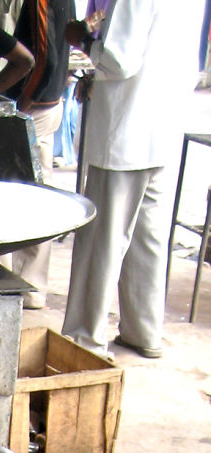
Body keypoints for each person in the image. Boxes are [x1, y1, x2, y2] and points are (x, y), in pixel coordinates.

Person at [61, 0, 206, 359]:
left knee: (102, 242)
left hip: (125, 132)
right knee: (147, 240)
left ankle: (84, 337)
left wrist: (82, 39)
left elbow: (120, 60)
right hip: (163, 126)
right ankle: (143, 331)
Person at [3, 0, 79, 309]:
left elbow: (42, 60)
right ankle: (33, 288)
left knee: (10, 194)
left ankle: (8, 285)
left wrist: (23, 103)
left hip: (37, 106)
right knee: (37, 191)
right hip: (49, 102)